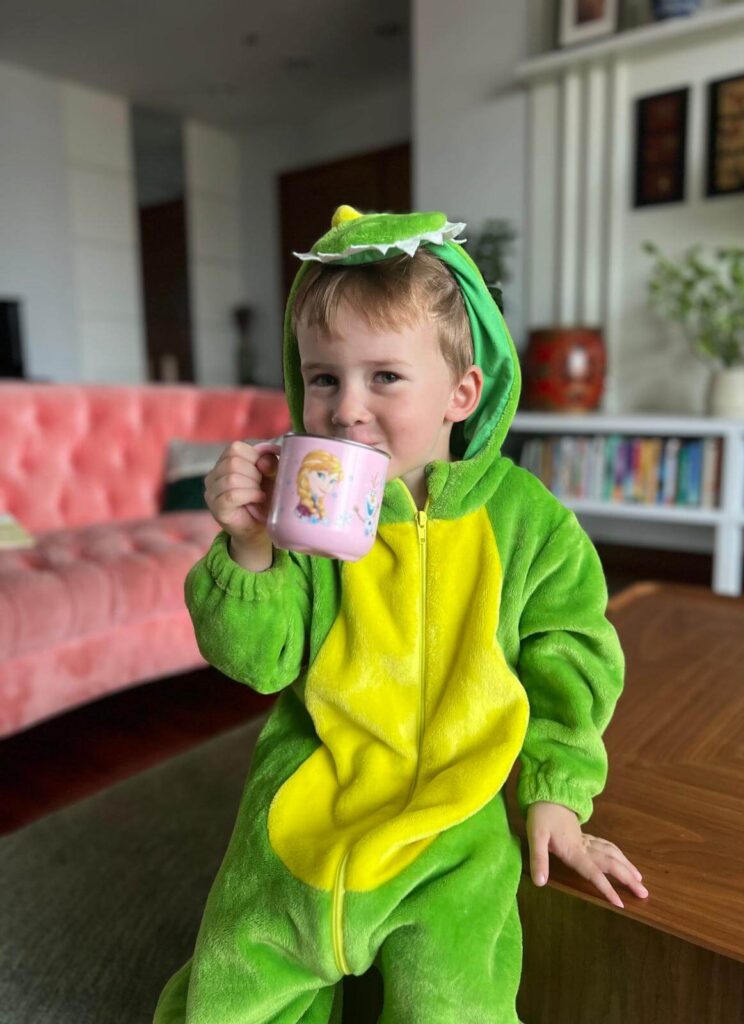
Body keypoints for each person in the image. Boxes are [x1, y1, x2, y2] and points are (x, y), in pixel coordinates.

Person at [154, 206, 648, 1024]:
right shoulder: (304, 513)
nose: (347, 408)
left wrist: (557, 794)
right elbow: (260, 660)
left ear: (462, 393)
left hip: (457, 822)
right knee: (229, 991)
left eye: (384, 377)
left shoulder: (529, 523)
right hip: (315, 800)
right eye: (323, 378)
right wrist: (248, 548)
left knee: (458, 1000)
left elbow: (574, 657)